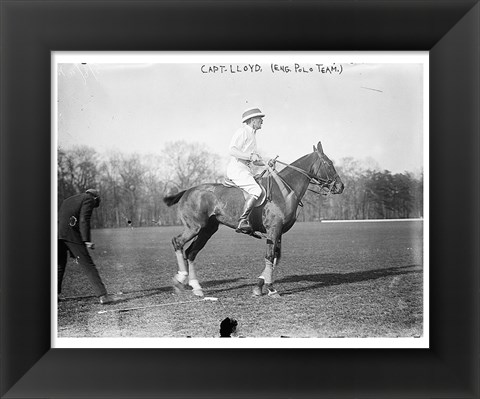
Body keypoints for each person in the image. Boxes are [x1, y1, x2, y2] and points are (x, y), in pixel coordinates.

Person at [58, 189, 118, 304]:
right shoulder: (88, 199)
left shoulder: (68, 199)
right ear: (95, 198)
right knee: (87, 265)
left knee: (59, 265)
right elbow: (84, 219)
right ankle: (102, 295)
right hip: (70, 235)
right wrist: (86, 240)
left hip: (56, 234)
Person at [227, 107, 266, 234]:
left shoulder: (253, 136)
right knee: (256, 190)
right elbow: (232, 150)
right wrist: (250, 156)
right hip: (237, 169)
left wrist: (266, 162)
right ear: (253, 120)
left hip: (246, 169)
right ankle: (242, 221)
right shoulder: (242, 132)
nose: (262, 121)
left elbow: (254, 160)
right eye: (260, 119)